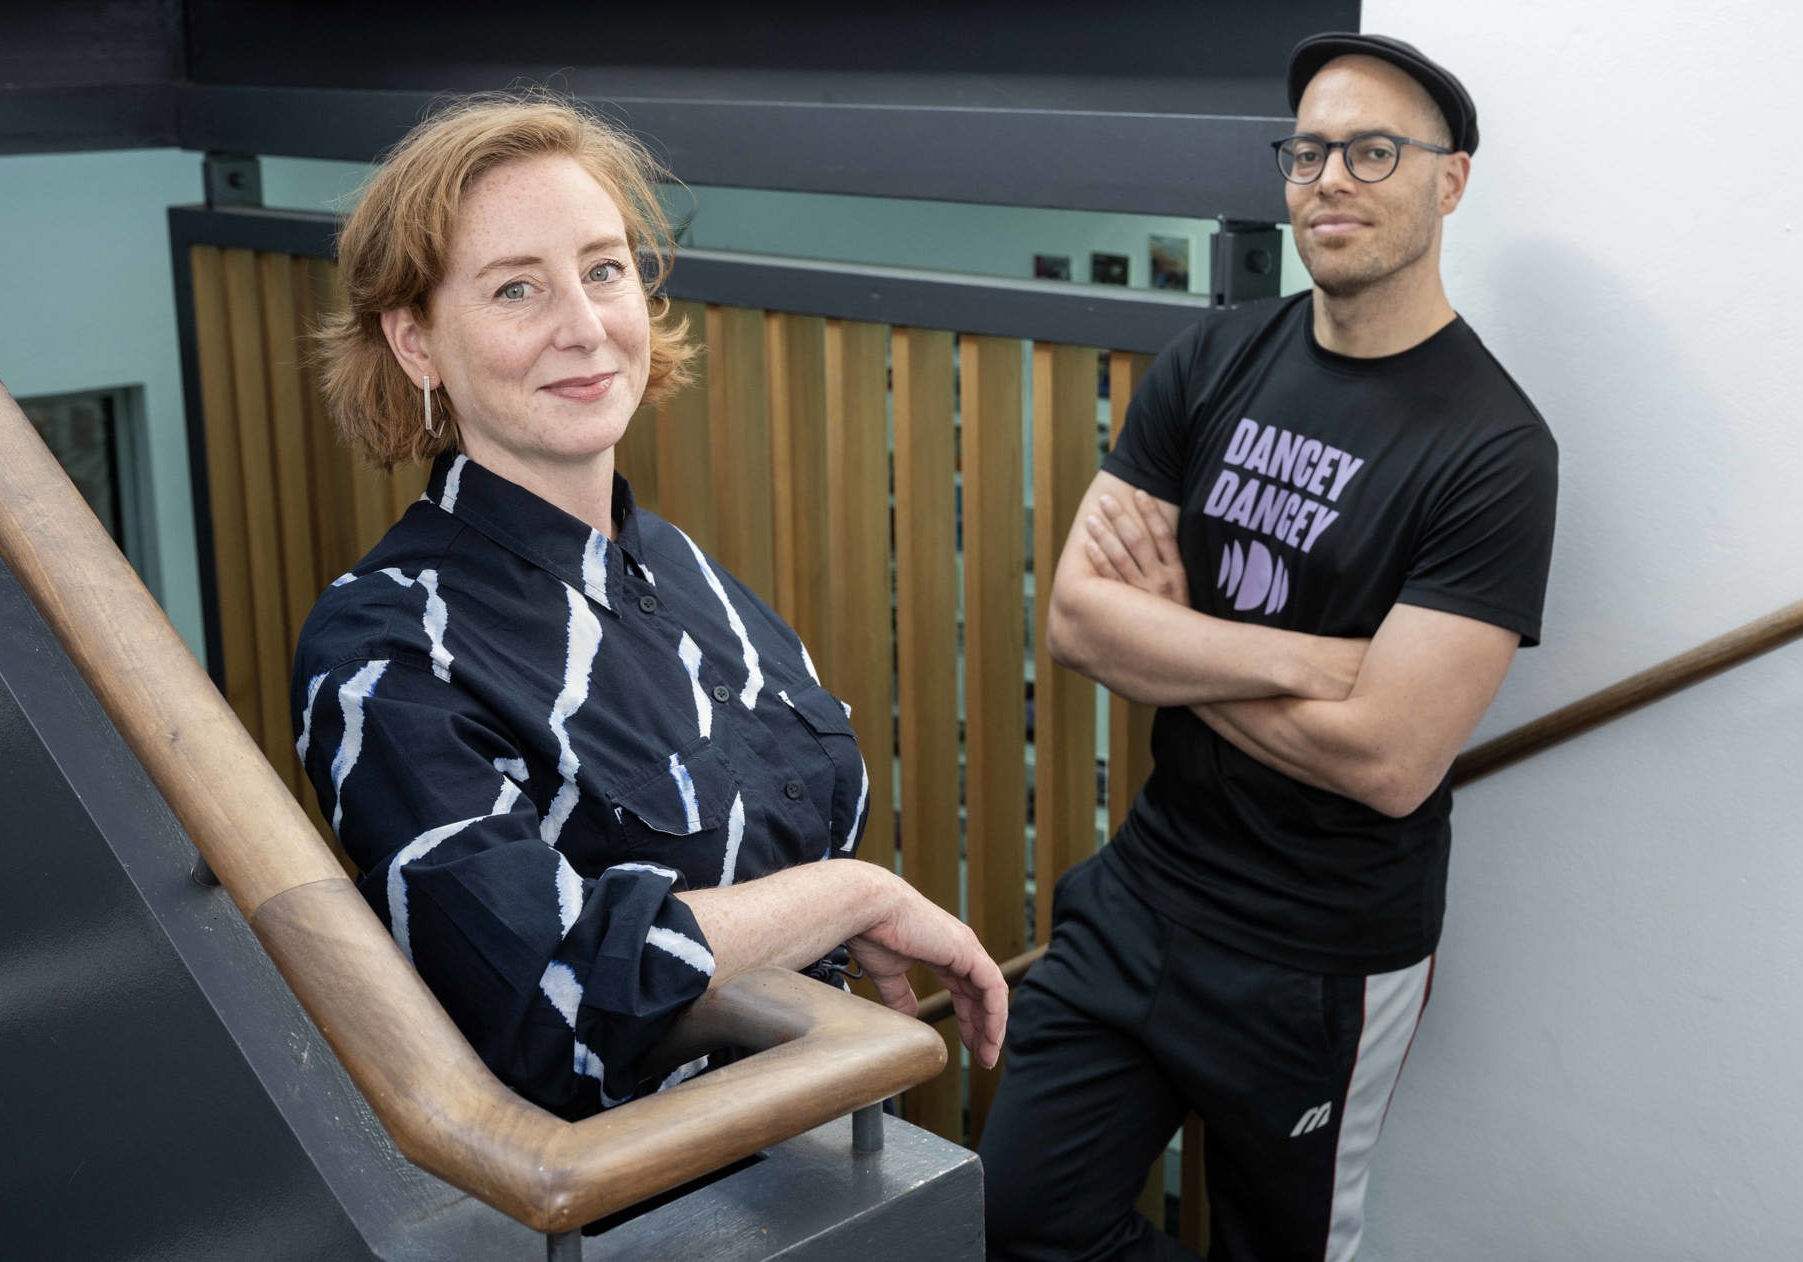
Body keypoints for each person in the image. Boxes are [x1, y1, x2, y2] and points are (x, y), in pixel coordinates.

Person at [290, 93, 1006, 1122]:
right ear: (417, 345)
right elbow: (549, 993)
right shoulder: (385, 646)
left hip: (832, 1138)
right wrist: (854, 895)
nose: (582, 327)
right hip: (646, 1206)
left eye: (602, 269)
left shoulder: (688, 573)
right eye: (515, 290)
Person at [980, 33, 1558, 1261]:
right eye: (1308, 151)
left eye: (1373, 150)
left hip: (1319, 960)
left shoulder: (1496, 449)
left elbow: (1391, 758)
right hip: (1144, 890)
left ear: (1449, 181)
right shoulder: (1216, 355)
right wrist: (1308, 657)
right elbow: (1079, 618)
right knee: (1026, 1216)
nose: (1330, 177)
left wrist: (1174, 642)